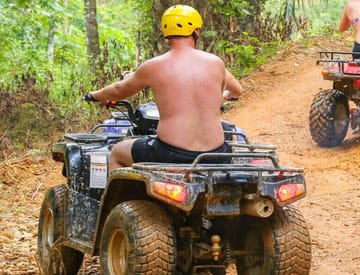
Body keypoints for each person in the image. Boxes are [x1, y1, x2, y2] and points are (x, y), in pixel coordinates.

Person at [87, 5, 243, 171]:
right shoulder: (215, 63)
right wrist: (220, 96)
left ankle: (121, 198)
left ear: (165, 32)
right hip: (215, 154)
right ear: (196, 31)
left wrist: (96, 95)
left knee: (118, 152)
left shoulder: (154, 66)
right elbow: (237, 90)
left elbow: (119, 90)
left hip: (171, 153)